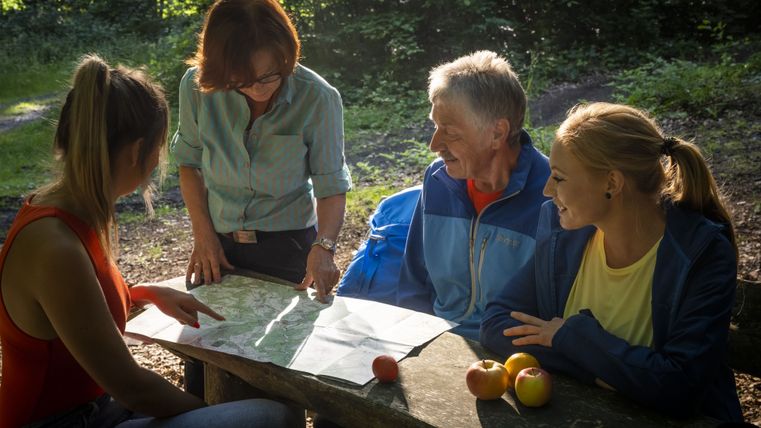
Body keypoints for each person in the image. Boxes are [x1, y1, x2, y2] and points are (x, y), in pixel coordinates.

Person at [0, 54, 300, 428]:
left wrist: (143, 292)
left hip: (96, 408)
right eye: (157, 149)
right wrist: (213, 415)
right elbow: (132, 388)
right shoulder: (54, 246)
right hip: (66, 421)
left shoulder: (68, 211)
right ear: (133, 152)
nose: (158, 161)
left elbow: (75, 310)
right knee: (274, 418)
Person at [480, 102, 743, 422]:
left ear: (612, 183)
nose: (548, 191)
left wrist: (570, 337)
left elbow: (679, 385)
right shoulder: (563, 236)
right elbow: (496, 325)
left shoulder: (701, 255)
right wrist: (603, 370)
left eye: (559, 178)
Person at [172, 0, 351, 301]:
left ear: (286, 56)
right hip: (218, 240)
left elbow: (330, 185)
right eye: (240, 81)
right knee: (207, 338)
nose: (257, 89)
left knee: (284, 345)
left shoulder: (318, 98)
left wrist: (324, 247)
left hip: (288, 245)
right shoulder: (197, 87)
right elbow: (189, 165)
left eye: (269, 76)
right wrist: (203, 236)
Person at [395, 50, 550, 340]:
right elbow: (413, 283)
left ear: (496, 133)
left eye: (450, 133)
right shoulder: (438, 180)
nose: (434, 145)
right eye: (434, 127)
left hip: (510, 355)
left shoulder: (552, 196)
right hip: (433, 340)